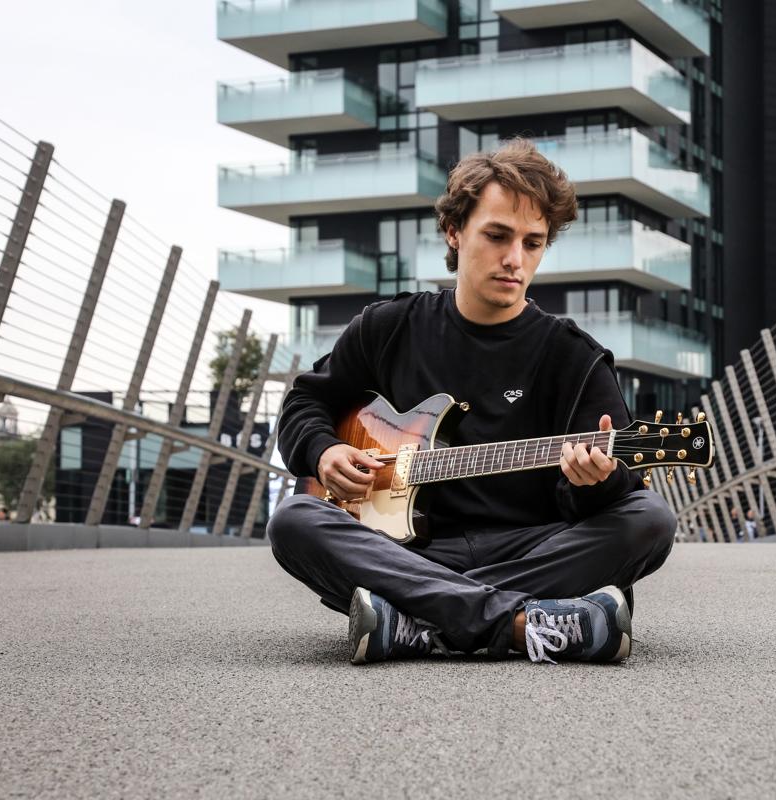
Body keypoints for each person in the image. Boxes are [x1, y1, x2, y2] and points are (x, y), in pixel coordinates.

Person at [267, 139, 676, 666]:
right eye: (498, 235)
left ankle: (417, 620)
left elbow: (615, 493)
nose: (515, 259)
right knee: (295, 519)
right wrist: (324, 451)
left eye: (533, 243)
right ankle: (523, 624)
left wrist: (593, 481)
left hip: (528, 549)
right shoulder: (388, 328)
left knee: (649, 518)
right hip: (404, 550)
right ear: (454, 231)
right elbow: (304, 402)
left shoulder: (573, 357)